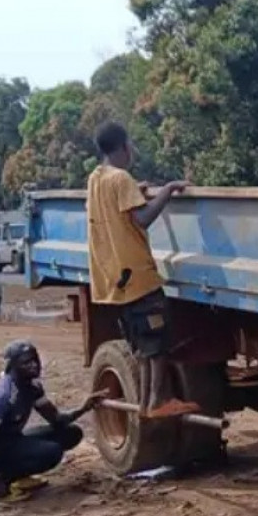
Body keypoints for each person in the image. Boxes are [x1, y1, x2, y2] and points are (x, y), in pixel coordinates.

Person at [87, 121, 199, 420]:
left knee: (142, 346)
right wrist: (168, 190)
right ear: (123, 146)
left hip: (115, 280)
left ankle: (148, 404)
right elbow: (143, 218)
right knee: (158, 341)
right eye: (130, 145)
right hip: (137, 277)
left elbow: (118, 206)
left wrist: (138, 191)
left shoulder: (97, 178)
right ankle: (157, 400)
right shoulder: (121, 178)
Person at [0, 341, 106, 502]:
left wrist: (84, 407)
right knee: (52, 452)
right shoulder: (3, 397)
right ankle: (4, 479)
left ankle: (17, 476)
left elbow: (57, 420)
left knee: (71, 433)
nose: (34, 365)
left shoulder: (32, 386)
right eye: (26, 362)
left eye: (35, 360)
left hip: (11, 440)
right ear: (12, 367)